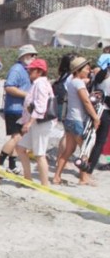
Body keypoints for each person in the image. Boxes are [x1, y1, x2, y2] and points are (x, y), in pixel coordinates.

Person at [53, 57, 101, 186]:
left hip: (70, 119)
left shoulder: (71, 81)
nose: (88, 70)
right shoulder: (78, 83)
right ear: (78, 70)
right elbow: (86, 101)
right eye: (86, 68)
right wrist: (96, 117)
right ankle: (83, 178)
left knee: (68, 150)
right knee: (85, 150)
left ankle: (57, 176)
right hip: (78, 120)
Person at [16, 58, 55, 187]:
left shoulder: (40, 83)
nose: (29, 72)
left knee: (39, 154)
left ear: (39, 71)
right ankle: (27, 179)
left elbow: (40, 106)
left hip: (40, 122)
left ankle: (45, 184)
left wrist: (29, 123)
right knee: (20, 148)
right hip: (35, 121)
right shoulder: (38, 83)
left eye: (31, 70)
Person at [0, 45, 37, 173]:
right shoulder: (17, 69)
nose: (34, 58)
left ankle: (12, 165)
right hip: (14, 108)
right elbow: (9, 87)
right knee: (17, 137)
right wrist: (27, 95)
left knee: (19, 138)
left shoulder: (27, 70)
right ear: (25, 56)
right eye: (32, 55)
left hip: (22, 109)